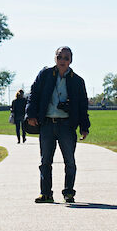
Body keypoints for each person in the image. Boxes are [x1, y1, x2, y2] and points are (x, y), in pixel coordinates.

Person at [25, 48, 90, 203]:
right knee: (45, 161)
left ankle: (69, 192)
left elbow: (82, 105)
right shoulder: (45, 74)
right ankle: (45, 193)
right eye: (59, 57)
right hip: (47, 123)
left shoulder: (77, 80)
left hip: (67, 125)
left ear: (70, 61)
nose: (62, 60)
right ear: (55, 58)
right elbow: (33, 94)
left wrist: (84, 126)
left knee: (70, 161)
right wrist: (31, 114)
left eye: (66, 58)